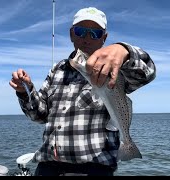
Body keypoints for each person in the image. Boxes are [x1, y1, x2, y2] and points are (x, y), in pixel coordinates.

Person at [9, 7, 156, 176]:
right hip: (47, 167)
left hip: (94, 169)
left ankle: (128, 144)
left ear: (104, 38)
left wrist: (124, 50)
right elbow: (39, 115)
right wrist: (24, 91)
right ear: (72, 34)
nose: (86, 38)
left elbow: (147, 72)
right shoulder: (57, 69)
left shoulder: (116, 69)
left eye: (94, 33)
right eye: (80, 31)